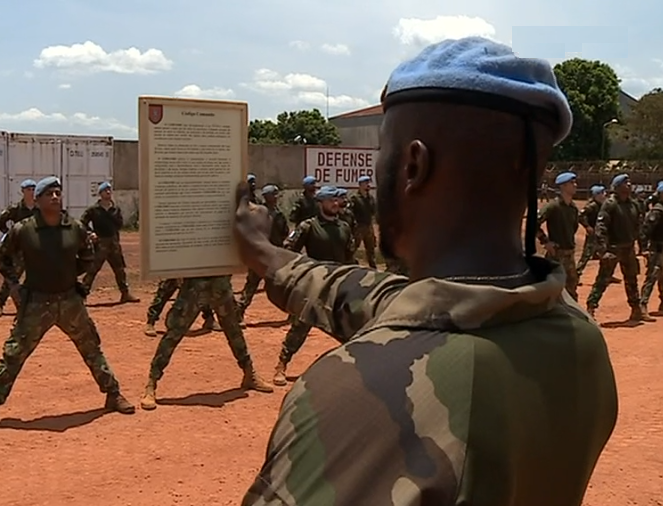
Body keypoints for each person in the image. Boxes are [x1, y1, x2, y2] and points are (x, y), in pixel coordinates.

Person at [237, 36, 617, 506]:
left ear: (413, 164)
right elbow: (383, 299)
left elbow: (412, 330)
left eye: (383, 152)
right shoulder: (578, 335)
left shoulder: (361, 392)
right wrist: (266, 254)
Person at [0, 177, 135, 435]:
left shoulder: (74, 227)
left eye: (58, 193)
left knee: (91, 348)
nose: (54, 197)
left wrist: (72, 273)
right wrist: (14, 286)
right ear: (37, 200)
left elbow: (88, 256)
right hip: (37, 302)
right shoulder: (24, 230)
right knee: (14, 354)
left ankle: (113, 394)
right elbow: (3, 257)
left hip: (69, 300)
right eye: (48, 193)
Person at [138, 275, 274, 410]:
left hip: (221, 285)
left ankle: (249, 374)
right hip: (194, 287)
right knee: (174, 334)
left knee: (234, 331)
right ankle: (151, 384)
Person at [272, 185, 356, 387]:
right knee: (300, 326)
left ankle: (358, 370)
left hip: (339, 285)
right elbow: (289, 250)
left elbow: (349, 257)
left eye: (336, 200)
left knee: (350, 327)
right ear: (320, 203)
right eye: (330, 200)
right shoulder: (308, 226)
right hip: (316, 285)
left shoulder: (344, 227)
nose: (335, 204)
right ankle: (281, 365)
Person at [585, 174, 653, 322]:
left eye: (629, 182)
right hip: (613, 249)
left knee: (632, 279)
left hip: (628, 248)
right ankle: (591, 308)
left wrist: (642, 247)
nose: (629, 185)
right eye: (625, 183)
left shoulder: (633, 205)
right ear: (617, 187)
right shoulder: (610, 204)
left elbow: (639, 227)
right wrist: (603, 250)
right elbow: (601, 227)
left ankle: (636, 309)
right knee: (603, 280)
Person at [236, 184, 289, 327]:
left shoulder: (276, 213)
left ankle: (294, 314)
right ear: (267, 197)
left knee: (284, 283)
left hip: (275, 254)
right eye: (274, 195)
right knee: (251, 285)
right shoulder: (258, 214)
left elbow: (284, 231)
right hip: (260, 254)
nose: (276, 198)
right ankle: (238, 313)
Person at [80, 182, 140, 303]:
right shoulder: (94, 210)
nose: (108, 192)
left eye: (109, 190)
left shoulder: (115, 209)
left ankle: (125, 293)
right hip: (100, 243)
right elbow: (82, 223)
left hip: (114, 243)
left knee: (120, 269)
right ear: (100, 193)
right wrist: (90, 233)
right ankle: (82, 295)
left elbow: (120, 224)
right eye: (105, 190)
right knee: (92, 270)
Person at [0, 179, 38, 317]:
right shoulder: (15, 209)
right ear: (22, 191)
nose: (31, 192)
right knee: (12, 277)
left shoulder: (40, 209)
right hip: (19, 249)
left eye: (33, 189)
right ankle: (0, 303)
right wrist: (8, 234)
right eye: (28, 190)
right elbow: (0, 221)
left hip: (36, 248)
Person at [536, 171, 580, 299]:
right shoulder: (553, 206)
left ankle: (571, 310)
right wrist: (545, 241)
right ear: (563, 186)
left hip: (569, 253)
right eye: (572, 183)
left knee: (572, 286)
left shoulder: (573, 208)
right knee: (552, 288)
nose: (575, 185)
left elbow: (574, 227)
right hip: (556, 254)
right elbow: (533, 223)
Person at [143, 278, 219, 337]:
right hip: (175, 268)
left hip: (192, 268)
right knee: (164, 292)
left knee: (201, 292)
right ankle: (150, 322)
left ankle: (209, 319)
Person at [639, 181, 663, 314]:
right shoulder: (657, 210)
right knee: (652, 276)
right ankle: (643, 304)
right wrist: (644, 248)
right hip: (656, 248)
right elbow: (645, 230)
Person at [576, 185, 607, 277]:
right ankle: (577, 273)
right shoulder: (592, 206)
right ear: (596, 195)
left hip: (601, 234)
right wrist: (587, 226)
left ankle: (605, 275)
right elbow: (580, 216)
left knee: (605, 254)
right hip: (593, 235)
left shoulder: (602, 205)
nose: (605, 194)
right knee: (586, 255)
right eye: (602, 193)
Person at [349, 175, 378, 268]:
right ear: (360, 185)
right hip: (359, 227)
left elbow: (374, 211)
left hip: (369, 226)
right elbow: (350, 212)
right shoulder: (355, 198)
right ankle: (348, 263)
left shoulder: (370, 198)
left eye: (368, 183)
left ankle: (373, 267)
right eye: (366, 183)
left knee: (371, 249)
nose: (368, 185)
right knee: (353, 247)